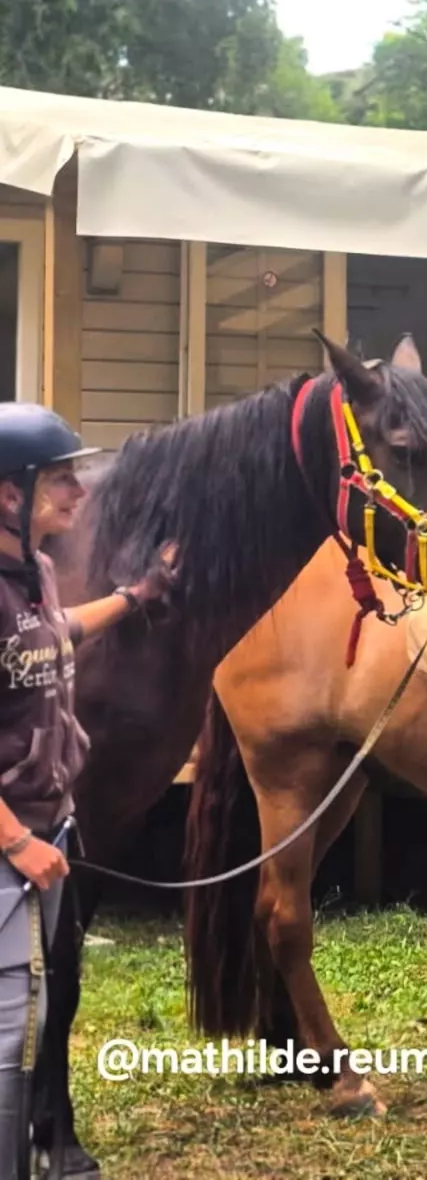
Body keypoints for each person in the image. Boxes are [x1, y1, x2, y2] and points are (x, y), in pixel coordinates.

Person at [0, 404, 177, 1178]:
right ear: (11, 493)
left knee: (48, 996)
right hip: (12, 837)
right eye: (61, 478)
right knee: (7, 1021)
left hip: (50, 823)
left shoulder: (35, 573)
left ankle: (42, 1145)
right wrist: (16, 842)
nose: (79, 490)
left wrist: (136, 596)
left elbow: (57, 632)